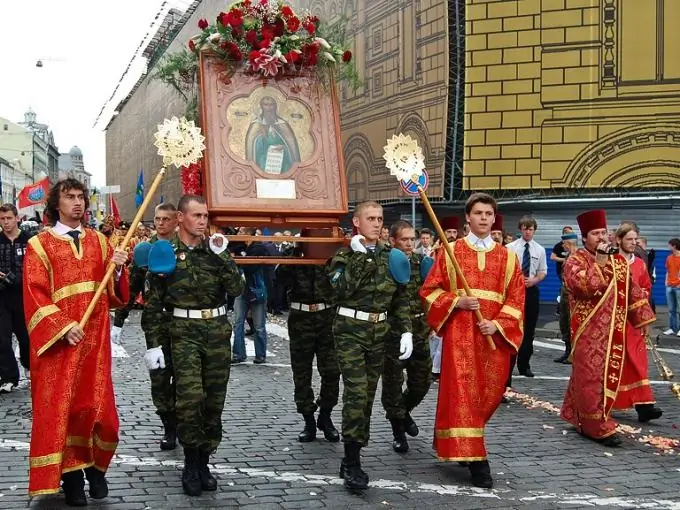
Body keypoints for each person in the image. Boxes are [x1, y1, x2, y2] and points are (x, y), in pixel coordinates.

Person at [22, 179, 130, 506]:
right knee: (64, 411)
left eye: (81, 197)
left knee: (99, 412)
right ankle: (71, 479)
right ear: (57, 203)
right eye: (70, 197)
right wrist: (61, 327)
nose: (78, 203)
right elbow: (33, 295)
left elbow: (114, 294)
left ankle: (96, 469)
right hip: (60, 347)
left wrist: (120, 269)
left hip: (94, 343)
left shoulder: (99, 241)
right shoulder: (40, 245)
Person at [420, 192, 525, 489]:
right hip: (460, 337)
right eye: (477, 213)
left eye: (488, 214)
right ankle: (478, 461)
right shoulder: (451, 251)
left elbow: (517, 297)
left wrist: (499, 323)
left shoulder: (508, 257)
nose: (483, 218)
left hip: (492, 337)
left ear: (494, 219)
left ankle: (465, 445)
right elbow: (430, 291)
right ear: (468, 217)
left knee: (487, 397)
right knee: (463, 394)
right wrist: (456, 302)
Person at [143, 195, 244, 496]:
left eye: (205, 215)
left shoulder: (214, 251)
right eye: (197, 215)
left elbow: (237, 288)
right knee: (189, 398)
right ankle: (190, 462)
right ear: (180, 218)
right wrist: (154, 346)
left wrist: (222, 254)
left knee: (214, 400)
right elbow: (153, 304)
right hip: (182, 331)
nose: (202, 221)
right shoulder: (166, 252)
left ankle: (204, 459)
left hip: (215, 331)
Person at [328, 200, 413, 491]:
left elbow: (402, 298)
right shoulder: (344, 255)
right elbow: (340, 290)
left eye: (379, 219)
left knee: (367, 395)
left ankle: (353, 452)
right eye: (371, 218)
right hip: (350, 330)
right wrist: (361, 258)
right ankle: (352, 461)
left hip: (379, 332)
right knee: (355, 392)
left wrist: (406, 332)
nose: (377, 223)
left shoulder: (393, 256)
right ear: (357, 222)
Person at [560, 210, 655, 447]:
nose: (601, 237)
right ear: (584, 238)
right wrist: (600, 261)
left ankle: (576, 413)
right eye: (595, 234)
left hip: (615, 330)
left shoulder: (619, 261)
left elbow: (632, 291)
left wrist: (642, 320)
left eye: (603, 232)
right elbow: (586, 286)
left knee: (596, 378)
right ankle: (595, 426)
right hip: (588, 331)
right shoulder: (575, 260)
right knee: (590, 377)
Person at [111, 203, 179, 450]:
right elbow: (131, 288)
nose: (160, 223)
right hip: (154, 326)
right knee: (160, 377)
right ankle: (169, 427)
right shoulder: (144, 251)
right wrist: (118, 322)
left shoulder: (185, 249)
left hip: (184, 325)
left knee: (185, 377)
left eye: (165, 219)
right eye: (157, 219)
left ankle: (185, 421)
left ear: (176, 221)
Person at [276, 228, 340, 443]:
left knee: (332, 371)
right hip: (301, 318)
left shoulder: (332, 258)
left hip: (327, 317)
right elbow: (280, 277)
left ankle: (325, 415)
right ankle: (308, 420)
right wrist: (294, 253)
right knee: (301, 373)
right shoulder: (292, 257)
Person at [381, 220, 432, 454]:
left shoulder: (422, 263)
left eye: (413, 239)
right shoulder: (385, 264)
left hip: (419, 327)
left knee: (421, 383)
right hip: (394, 331)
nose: (410, 243)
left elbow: (432, 293)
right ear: (393, 241)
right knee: (392, 385)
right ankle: (398, 432)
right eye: (405, 239)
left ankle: (403, 413)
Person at [612, 223, 663, 421]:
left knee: (638, 361)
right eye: (629, 239)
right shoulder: (612, 261)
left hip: (634, 322)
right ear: (618, 240)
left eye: (635, 239)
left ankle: (645, 405)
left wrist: (646, 320)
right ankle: (608, 401)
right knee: (617, 362)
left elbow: (646, 290)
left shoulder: (640, 264)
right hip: (614, 321)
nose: (633, 243)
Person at [506, 216, 548, 378]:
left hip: (531, 291)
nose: (528, 232)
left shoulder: (540, 250)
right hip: (514, 291)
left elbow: (543, 271)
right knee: (512, 327)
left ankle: (525, 364)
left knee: (529, 330)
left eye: (531, 229)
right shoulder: (510, 247)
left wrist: (534, 280)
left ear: (534, 231)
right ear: (520, 229)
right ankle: (509, 365)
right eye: (525, 229)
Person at [0, 203, 32, 393]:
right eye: (2, 219)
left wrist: (17, 278)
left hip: (24, 296)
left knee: (26, 337)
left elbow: (35, 267)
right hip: (2, 298)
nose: (6, 222)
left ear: (17, 218)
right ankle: (9, 376)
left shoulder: (29, 241)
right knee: (2, 339)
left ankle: (29, 365)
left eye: (9, 218)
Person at [231, 226, 269, 364]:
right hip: (241, 290)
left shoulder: (258, 248)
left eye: (241, 232)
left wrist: (240, 258)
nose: (238, 234)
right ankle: (238, 354)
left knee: (259, 325)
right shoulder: (238, 246)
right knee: (238, 323)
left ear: (248, 234)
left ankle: (261, 354)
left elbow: (249, 266)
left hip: (256, 288)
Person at [245, 95, 301, 174]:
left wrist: (283, 147)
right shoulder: (256, 125)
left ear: (275, 106)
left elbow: (292, 148)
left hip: (282, 160)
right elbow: (251, 147)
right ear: (261, 107)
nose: (268, 108)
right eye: (266, 105)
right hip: (263, 161)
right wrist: (261, 138)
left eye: (271, 105)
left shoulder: (283, 124)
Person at [554, 231, 578, 364]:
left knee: (570, 324)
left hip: (571, 297)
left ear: (568, 244)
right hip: (564, 294)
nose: (562, 246)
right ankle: (567, 351)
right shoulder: (569, 256)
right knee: (564, 323)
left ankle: (572, 353)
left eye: (564, 243)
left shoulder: (577, 258)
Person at [663, 238, 680, 336]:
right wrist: (666, 282)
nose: (668, 247)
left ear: (674, 246)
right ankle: (672, 328)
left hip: (678, 286)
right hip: (669, 286)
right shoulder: (669, 258)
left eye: (669, 245)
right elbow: (668, 271)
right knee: (671, 309)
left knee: (679, 309)